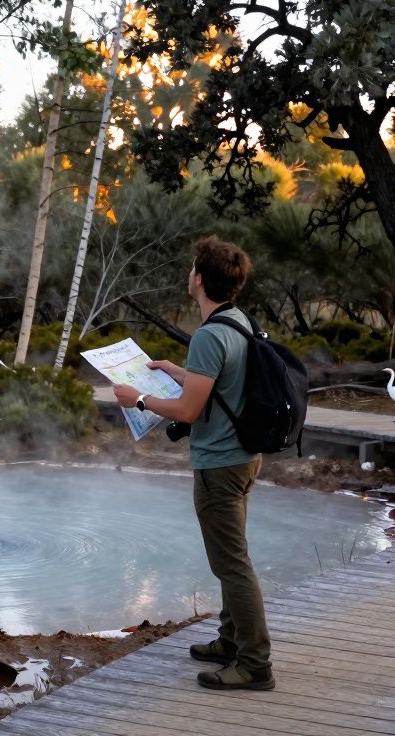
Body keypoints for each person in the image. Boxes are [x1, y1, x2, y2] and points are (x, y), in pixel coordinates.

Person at [113, 235, 274, 691]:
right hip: (245, 458)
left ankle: (255, 663)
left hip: (219, 465)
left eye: (191, 270)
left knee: (231, 564)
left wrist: (138, 398)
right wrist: (175, 371)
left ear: (200, 279)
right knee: (233, 556)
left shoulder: (208, 335)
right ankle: (230, 640)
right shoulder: (238, 322)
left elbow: (188, 412)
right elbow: (218, 386)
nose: (188, 275)